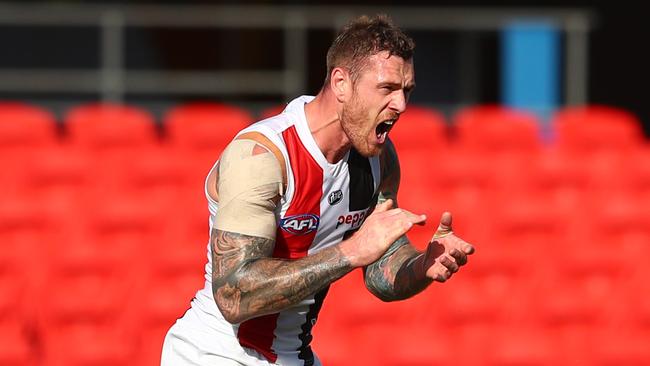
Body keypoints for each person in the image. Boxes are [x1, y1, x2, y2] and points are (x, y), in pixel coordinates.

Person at [161, 14, 475, 366]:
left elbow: (380, 271)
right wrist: (350, 251)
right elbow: (234, 297)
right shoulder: (263, 155)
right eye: (387, 88)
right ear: (341, 83)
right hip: (216, 353)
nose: (401, 105)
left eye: (407, 91)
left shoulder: (379, 159)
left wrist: (421, 266)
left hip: (293, 356)